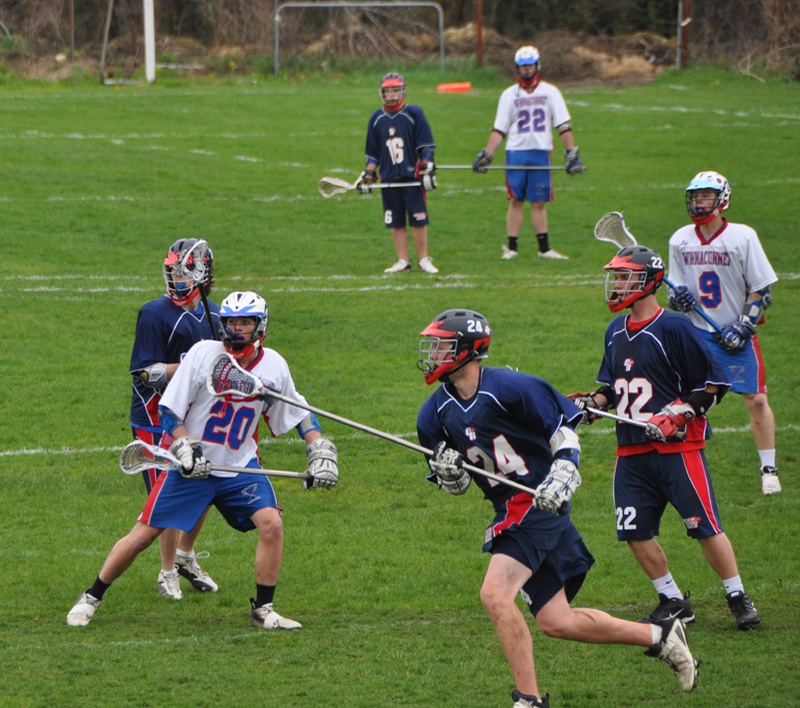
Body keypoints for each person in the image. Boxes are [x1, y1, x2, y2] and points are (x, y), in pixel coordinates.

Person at [416, 308, 697, 708]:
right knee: (556, 622)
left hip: (539, 502)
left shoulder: (511, 387)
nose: (435, 354)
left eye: (443, 346)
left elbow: (564, 428)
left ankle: (528, 700)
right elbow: (456, 485)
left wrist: (565, 466)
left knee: (495, 594)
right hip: (508, 506)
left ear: (468, 350)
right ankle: (661, 636)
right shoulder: (433, 414)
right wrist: (448, 472)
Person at [68, 291, 339, 629]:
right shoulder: (202, 354)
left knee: (272, 525)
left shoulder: (274, 365)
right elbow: (169, 409)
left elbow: (299, 412)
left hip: (239, 466)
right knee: (142, 537)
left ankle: (263, 611)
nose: (235, 329)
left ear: (260, 325)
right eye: (229, 321)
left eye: (244, 322)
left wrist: (319, 450)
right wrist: (184, 445)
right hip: (192, 467)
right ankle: (91, 596)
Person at [570, 245, 761, 633]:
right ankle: (672, 599)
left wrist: (679, 414)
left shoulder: (673, 327)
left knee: (703, 525)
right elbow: (612, 386)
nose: (617, 284)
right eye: (617, 276)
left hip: (677, 448)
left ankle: (737, 594)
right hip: (630, 449)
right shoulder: (614, 330)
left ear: (649, 282)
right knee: (634, 530)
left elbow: (712, 385)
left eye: (625, 277)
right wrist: (593, 402)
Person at [667, 171, 781, 495]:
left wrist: (743, 327)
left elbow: (762, 291)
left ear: (722, 200)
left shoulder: (742, 237)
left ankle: (769, 469)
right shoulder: (680, 239)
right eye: (695, 196)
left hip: (733, 332)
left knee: (757, 400)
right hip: (695, 332)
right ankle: (681, 459)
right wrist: (679, 298)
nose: (698, 202)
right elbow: (675, 292)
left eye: (705, 196)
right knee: (684, 397)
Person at [129, 238, 220, 600]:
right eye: (173, 272)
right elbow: (145, 373)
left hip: (194, 414)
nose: (177, 279)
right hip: (156, 416)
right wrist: (191, 369)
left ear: (202, 273)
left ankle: (184, 555)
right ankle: (167, 572)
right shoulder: (155, 313)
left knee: (205, 485)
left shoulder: (213, 313)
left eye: (184, 272)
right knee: (168, 496)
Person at [472, 46, 586, 262]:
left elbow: (563, 125)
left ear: (537, 66)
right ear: (517, 68)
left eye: (530, 65)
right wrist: (487, 155)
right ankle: (512, 248)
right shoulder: (508, 95)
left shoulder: (551, 92)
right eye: (523, 66)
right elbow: (499, 129)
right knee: (515, 199)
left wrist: (571, 152)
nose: (526, 70)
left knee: (539, 201)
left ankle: (544, 249)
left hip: (541, 152)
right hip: (516, 152)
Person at [360, 72, 439, 274]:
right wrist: (368, 175)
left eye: (396, 90)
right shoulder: (376, 119)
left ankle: (423, 260)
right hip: (388, 178)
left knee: (418, 219)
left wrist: (428, 166)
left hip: (412, 177)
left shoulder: (414, 114)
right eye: (388, 91)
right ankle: (403, 261)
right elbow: (373, 155)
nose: (392, 95)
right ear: (382, 93)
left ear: (402, 91)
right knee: (395, 221)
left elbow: (426, 146)